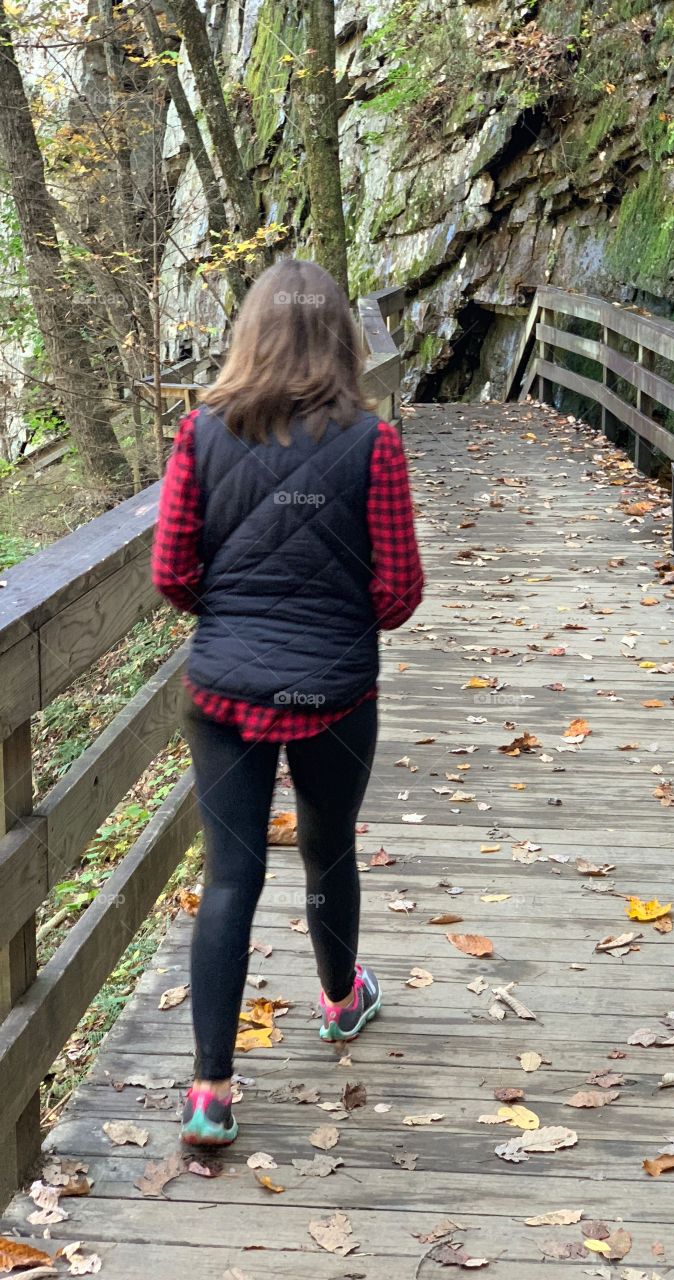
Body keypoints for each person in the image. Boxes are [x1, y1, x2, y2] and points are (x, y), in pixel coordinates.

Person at [151, 259, 424, 1147]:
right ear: (338, 335)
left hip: (223, 693)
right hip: (336, 696)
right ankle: (342, 1002)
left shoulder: (199, 435)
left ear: (252, 334)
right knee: (328, 847)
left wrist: (234, 625)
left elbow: (173, 574)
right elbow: (399, 593)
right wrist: (337, 621)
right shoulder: (374, 444)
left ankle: (209, 1093)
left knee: (230, 876)